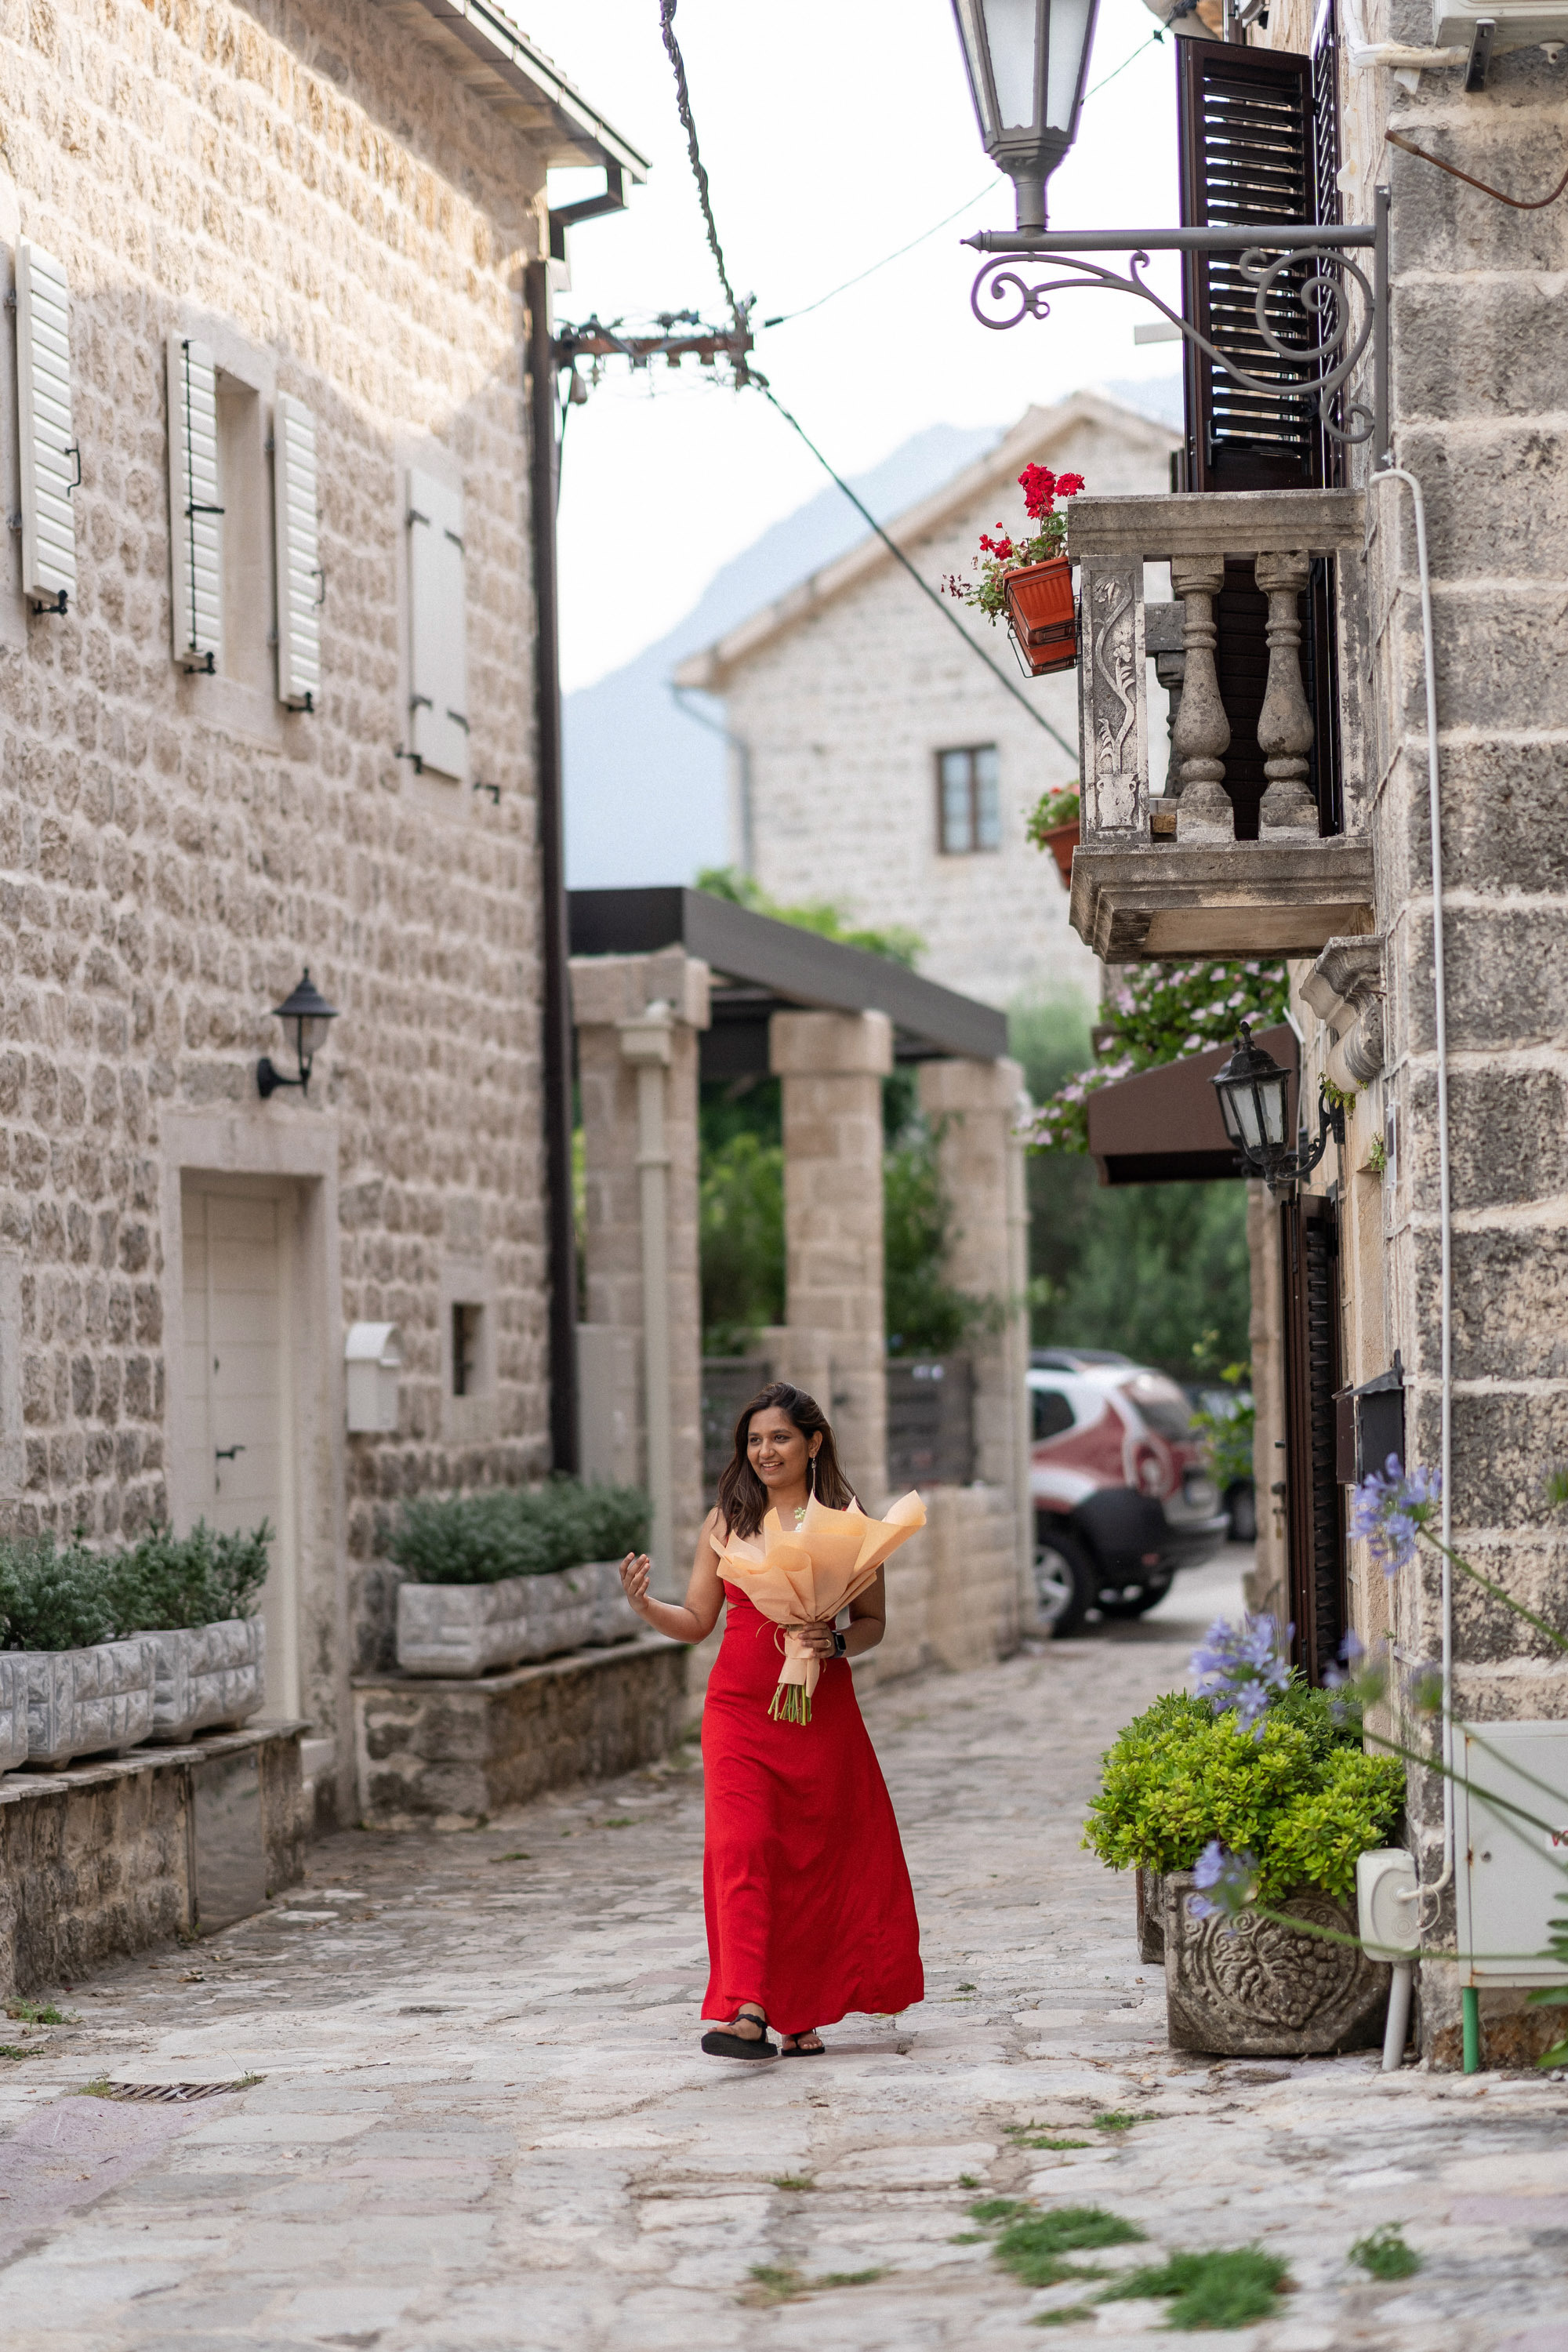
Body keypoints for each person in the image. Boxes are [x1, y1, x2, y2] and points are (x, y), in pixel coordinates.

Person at [619, 1381, 924, 2060]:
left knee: (809, 1858)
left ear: (813, 1443)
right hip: (738, 1713)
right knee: (744, 1848)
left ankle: (801, 2010)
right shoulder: (725, 1519)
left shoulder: (847, 1519)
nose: (765, 1451)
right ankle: (748, 2008)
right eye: (755, 1440)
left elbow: (872, 1623)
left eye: (780, 1438)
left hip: (820, 1713)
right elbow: (698, 1621)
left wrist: (835, 1643)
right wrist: (648, 1610)